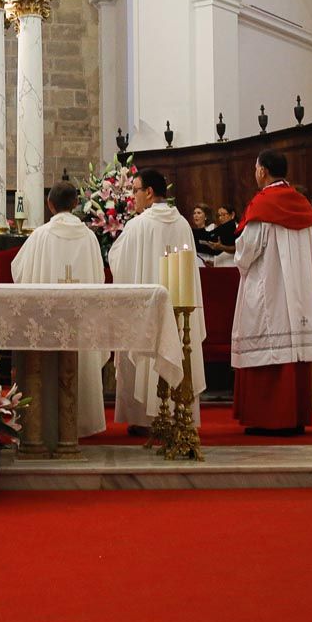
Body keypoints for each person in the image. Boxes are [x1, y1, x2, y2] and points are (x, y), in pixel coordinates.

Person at [231, 149, 312, 436]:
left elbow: (246, 252)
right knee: (292, 352)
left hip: (269, 291)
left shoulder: (263, 205)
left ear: (262, 171)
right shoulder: (303, 204)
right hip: (300, 295)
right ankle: (294, 417)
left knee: (268, 349)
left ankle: (269, 418)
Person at [107, 168, 206, 434]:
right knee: (178, 346)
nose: (133, 197)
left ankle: (146, 419)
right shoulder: (183, 223)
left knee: (148, 352)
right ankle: (177, 414)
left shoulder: (138, 225)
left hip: (148, 311)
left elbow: (118, 262)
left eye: (135, 191)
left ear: (149, 193)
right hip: (179, 306)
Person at [11, 181, 106, 437]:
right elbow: (99, 280)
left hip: (47, 321)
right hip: (80, 320)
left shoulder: (40, 236)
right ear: (76, 204)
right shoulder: (89, 238)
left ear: (49, 204)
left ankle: (47, 421)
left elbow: (18, 272)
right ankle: (82, 423)